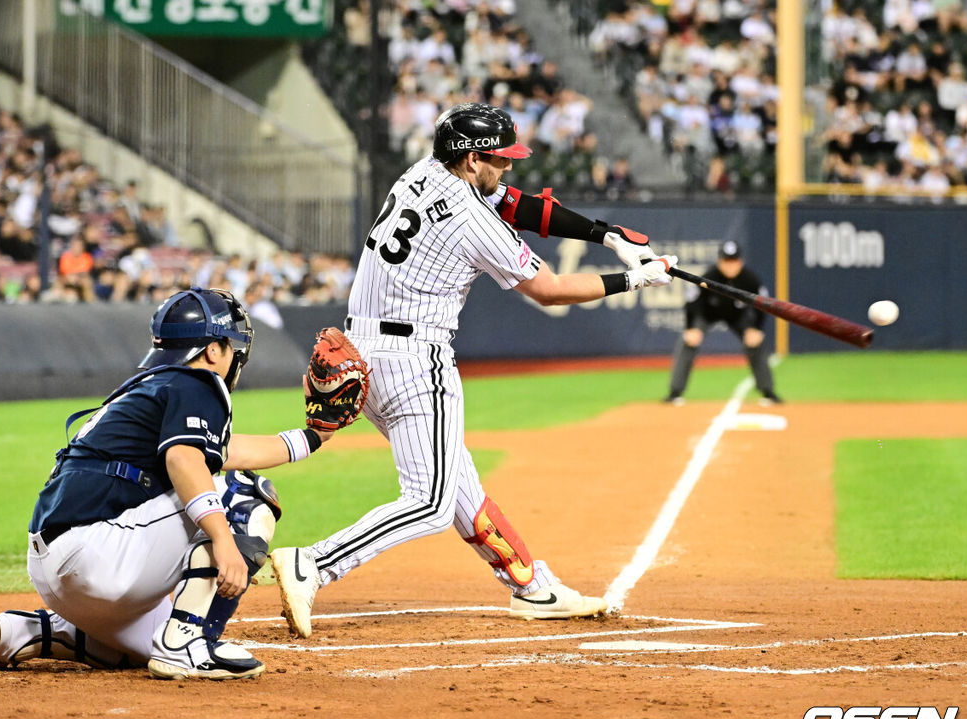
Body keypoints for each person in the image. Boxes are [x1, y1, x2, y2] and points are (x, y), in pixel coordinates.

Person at [270, 102, 679, 638]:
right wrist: (635, 279)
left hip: (364, 352)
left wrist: (607, 235)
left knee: (458, 487)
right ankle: (315, 564)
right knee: (433, 504)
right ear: (468, 160)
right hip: (416, 361)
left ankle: (531, 587)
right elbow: (548, 291)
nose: (508, 168)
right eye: (498, 159)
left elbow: (513, 202)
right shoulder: (470, 219)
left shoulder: (421, 172)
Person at [0, 288, 344, 680]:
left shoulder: (152, 387)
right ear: (212, 350)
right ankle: (188, 640)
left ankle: (26, 631)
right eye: (230, 345)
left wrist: (314, 437)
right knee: (244, 495)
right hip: (96, 554)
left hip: (56, 567)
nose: (235, 355)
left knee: (140, 650)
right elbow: (184, 458)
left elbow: (222, 450)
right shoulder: (198, 382)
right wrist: (221, 536)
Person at [664, 240, 781, 406]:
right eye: (726, 261)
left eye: (734, 261)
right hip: (707, 314)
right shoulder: (709, 277)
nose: (730, 266)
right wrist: (691, 328)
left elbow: (763, 304)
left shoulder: (750, 279)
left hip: (738, 316)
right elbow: (691, 302)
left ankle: (768, 391)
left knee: (755, 342)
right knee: (688, 341)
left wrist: (755, 329)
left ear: (741, 261)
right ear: (719, 261)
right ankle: (675, 392)